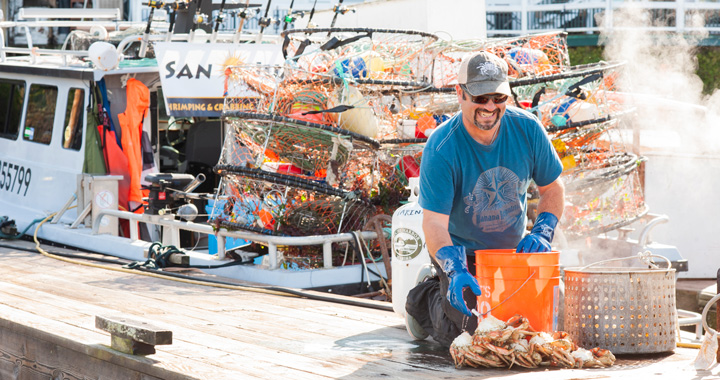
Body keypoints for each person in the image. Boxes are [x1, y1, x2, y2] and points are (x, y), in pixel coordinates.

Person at [404, 51, 565, 347]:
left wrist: (543, 230)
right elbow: (434, 224)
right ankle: (426, 296)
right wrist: (453, 268)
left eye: (498, 97)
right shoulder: (441, 147)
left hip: (512, 253)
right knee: (470, 333)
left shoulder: (528, 129)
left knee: (545, 321)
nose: (490, 106)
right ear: (460, 94)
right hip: (460, 256)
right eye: (480, 98)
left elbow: (553, 189)